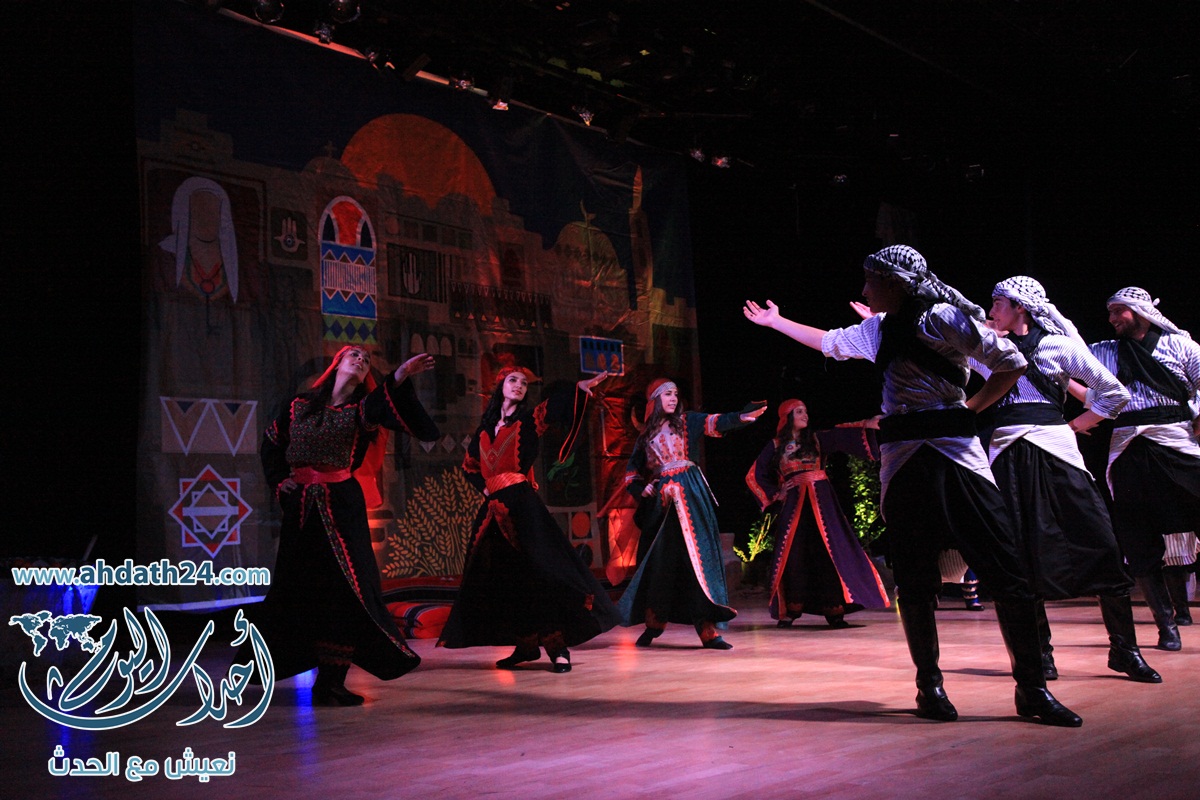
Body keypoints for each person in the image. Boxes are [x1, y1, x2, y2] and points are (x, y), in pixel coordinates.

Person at [743, 244, 1082, 726]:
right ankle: (930, 687)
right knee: (914, 576)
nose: (864, 291)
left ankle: (1032, 689)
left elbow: (1010, 362)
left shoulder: (942, 318)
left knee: (1006, 567)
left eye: (870, 281)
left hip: (954, 449)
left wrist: (969, 409)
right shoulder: (877, 329)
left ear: (895, 283)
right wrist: (777, 322)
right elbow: (828, 342)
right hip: (902, 455)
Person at [976, 276, 1159, 681]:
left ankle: (1125, 650)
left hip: (1056, 449)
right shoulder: (988, 349)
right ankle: (1038, 655)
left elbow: (1113, 392)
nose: (991, 311)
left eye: (997, 303)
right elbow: (939, 345)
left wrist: (1077, 424)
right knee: (1018, 554)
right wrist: (880, 322)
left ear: (1019, 306)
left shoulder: (1058, 346)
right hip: (1007, 453)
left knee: (1102, 544)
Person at [255, 345, 440, 705]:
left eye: (366, 360)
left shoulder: (361, 411)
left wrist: (401, 374)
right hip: (303, 510)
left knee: (346, 591)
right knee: (302, 588)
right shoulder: (298, 406)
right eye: (354, 355)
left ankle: (331, 681)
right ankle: (287, 665)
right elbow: (271, 444)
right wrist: (280, 482)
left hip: (341, 508)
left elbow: (384, 402)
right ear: (338, 362)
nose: (360, 360)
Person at [438, 367, 621, 673]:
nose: (519, 386)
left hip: (522, 508)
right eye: (513, 380)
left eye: (524, 383)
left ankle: (558, 648)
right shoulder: (484, 431)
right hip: (494, 513)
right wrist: (486, 487)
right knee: (507, 580)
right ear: (500, 385)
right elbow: (469, 466)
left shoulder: (527, 422)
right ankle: (525, 645)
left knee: (541, 576)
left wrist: (578, 388)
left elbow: (551, 408)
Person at [1088, 286, 1200, 651]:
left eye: (1117, 311)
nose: (1111, 319)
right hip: (1128, 449)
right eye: (1109, 312)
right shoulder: (1106, 351)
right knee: (1138, 537)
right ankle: (1167, 626)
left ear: (1139, 311)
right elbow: (1068, 356)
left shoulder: (1180, 346)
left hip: (1177, 443)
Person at [618, 379, 766, 650]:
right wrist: (643, 488)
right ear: (655, 400)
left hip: (691, 497)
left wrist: (741, 417)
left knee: (698, 561)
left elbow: (717, 421)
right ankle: (654, 624)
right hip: (663, 506)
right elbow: (631, 474)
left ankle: (708, 630)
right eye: (667, 394)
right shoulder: (646, 437)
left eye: (676, 393)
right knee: (661, 565)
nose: (673, 398)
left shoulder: (687, 421)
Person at [745, 399, 890, 628]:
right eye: (799, 411)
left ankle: (834, 609)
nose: (805, 415)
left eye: (805, 411)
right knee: (794, 556)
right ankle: (791, 609)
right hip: (794, 507)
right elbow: (754, 475)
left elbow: (840, 433)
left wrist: (867, 424)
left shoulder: (816, 439)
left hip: (822, 504)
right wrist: (776, 493)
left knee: (828, 553)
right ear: (787, 416)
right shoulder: (775, 445)